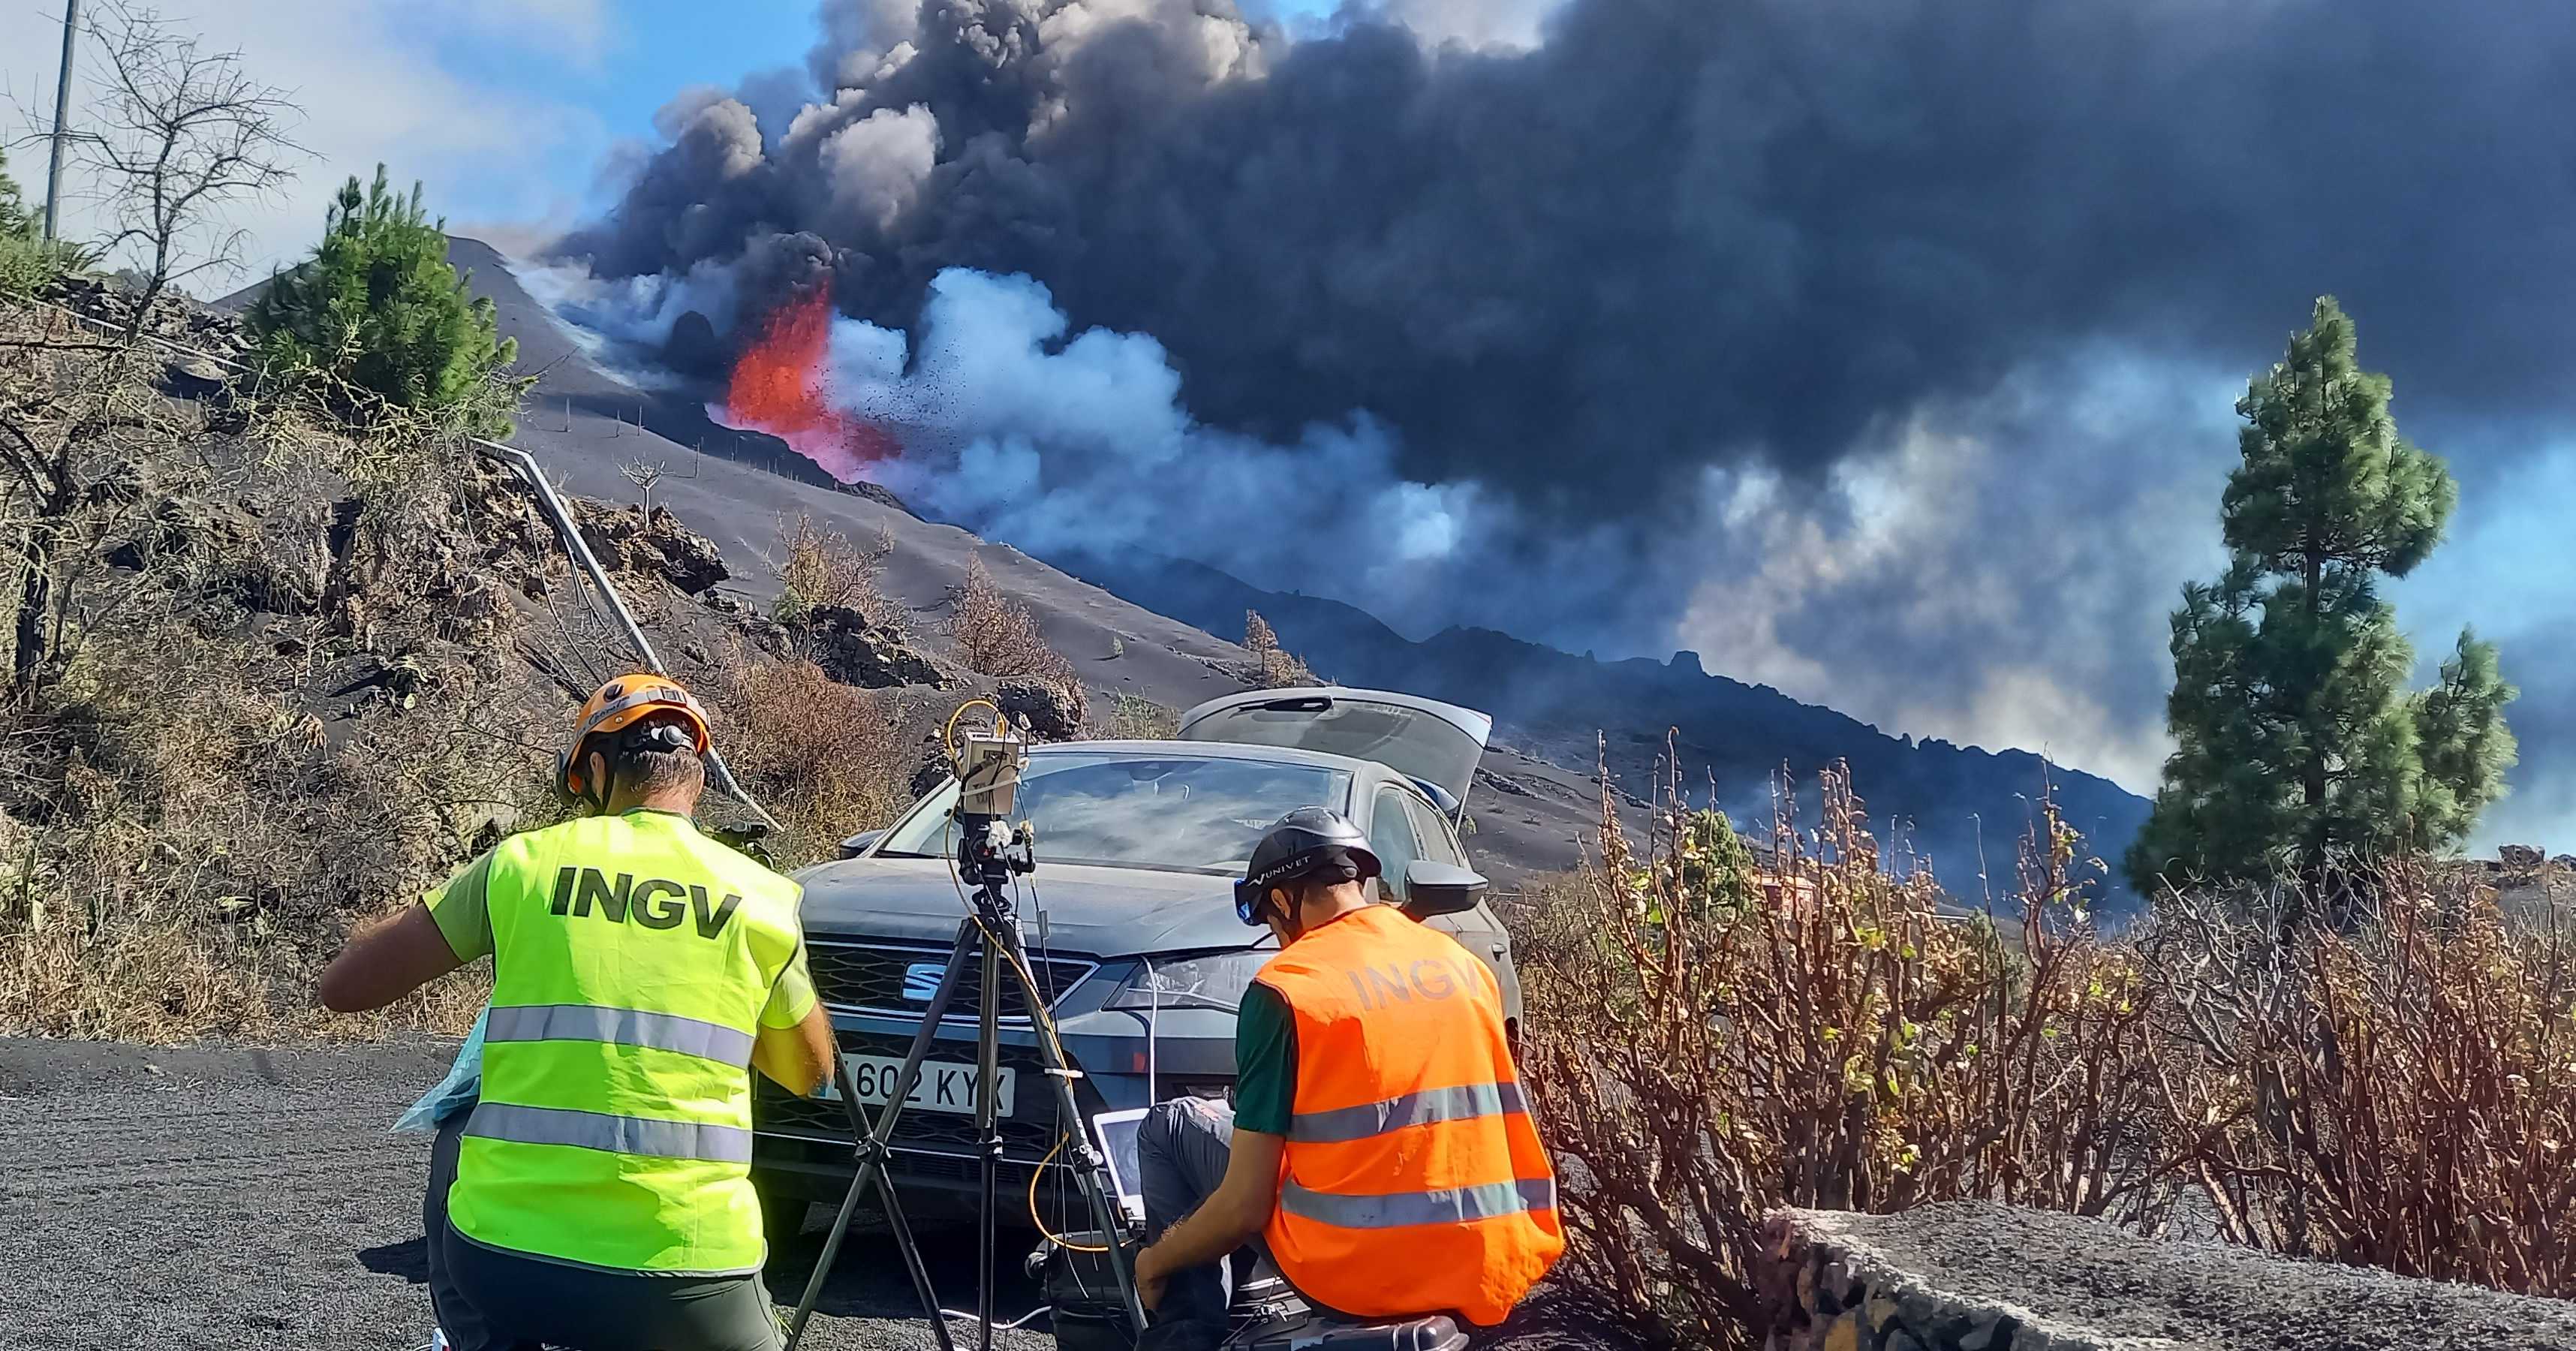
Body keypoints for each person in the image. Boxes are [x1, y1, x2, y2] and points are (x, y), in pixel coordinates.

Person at [320, 673, 835, 1351]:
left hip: (503, 1264)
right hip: (690, 1273)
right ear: (698, 776)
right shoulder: (765, 898)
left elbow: (344, 988)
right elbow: (811, 1075)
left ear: (595, 768)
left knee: (455, 1142)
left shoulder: (523, 866)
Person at [1128, 808, 1563, 1349]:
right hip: (1493, 1262)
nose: (1277, 938)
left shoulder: (1287, 989)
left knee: (1173, 1125)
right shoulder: (1462, 963)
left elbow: (1243, 1206)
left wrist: (1155, 1260)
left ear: (1284, 902)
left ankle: (1183, 1338)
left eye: (1270, 921)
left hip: (1361, 1277)